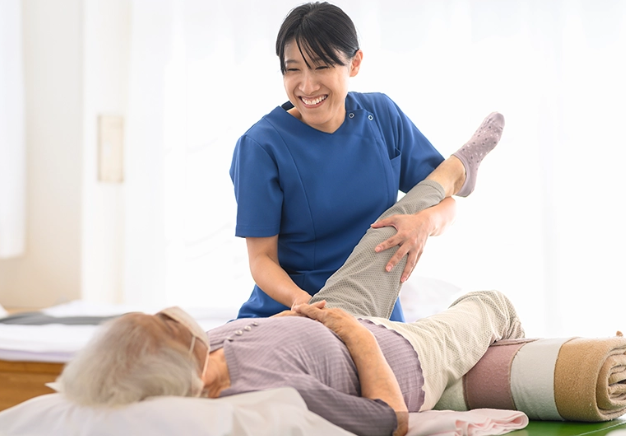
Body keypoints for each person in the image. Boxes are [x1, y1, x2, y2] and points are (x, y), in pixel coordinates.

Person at [58, 114, 519, 436]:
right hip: (388, 350)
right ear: (174, 367)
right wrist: (353, 333)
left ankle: (458, 168)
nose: (168, 315)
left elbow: (265, 337)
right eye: (163, 326)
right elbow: (388, 419)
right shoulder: (269, 396)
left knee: (392, 229)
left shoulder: (207, 349)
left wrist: (302, 313)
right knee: (490, 304)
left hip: (325, 311)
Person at [231, 1, 468, 321]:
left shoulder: (381, 115)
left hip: (375, 311)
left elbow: (446, 202)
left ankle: (465, 162)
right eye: (293, 69)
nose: (306, 86)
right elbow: (261, 259)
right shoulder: (261, 146)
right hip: (295, 311)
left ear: (354, 63)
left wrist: (424, 223)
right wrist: (306, 304)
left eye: (321, 66)